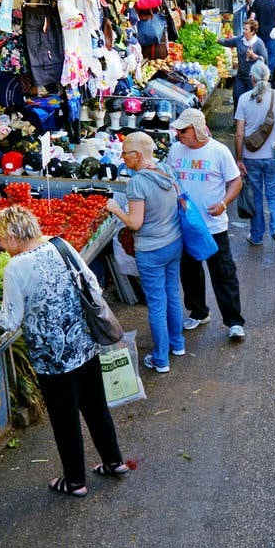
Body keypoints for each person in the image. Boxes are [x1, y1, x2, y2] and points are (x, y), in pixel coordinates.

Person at [0, 205, 126, 498]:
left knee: (64, 418)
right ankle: (114, 461)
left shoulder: (16, 267)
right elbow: (92, 285)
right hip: (83, 343)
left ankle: (75, 482)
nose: (1, 246)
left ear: (11, 235)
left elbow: (9, 322)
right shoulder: (61, 244)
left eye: (2, 240)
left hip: (51, 358)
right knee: (96, 406)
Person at [165, 109, 247, 341]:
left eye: (183, 130)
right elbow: (170, 179)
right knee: (189, 272)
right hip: (185, 224)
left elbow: (236, 181)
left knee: (223, 273)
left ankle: (234, 321)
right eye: (178, 130)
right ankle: (199, 312)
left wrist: (224, 203)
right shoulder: (175, 150)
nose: (178, 134)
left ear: (197, 129)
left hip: (213, 226)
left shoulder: (218, 151)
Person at [108, 133, 184, 374]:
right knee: (172, 294)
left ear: (138, 155)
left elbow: (135, 223)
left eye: (125, 153)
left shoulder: (137, 183)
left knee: (156, 303)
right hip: (174, 243)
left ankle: (161, 359)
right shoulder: (166, 170)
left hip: (151, 250)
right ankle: (178, 344)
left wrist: (115, 209)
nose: (122, 157)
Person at [235, 62, 275, 250]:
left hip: (251, 156)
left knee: (255, 195)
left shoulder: (243, 99)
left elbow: (240, 133)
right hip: (273, 154)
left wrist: (239, 158)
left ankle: (257, 235)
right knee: (274, 194)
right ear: (268, 77)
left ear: (252, 78)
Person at [220, 17, 265, 108]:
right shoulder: (239, 40)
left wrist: (254, 56)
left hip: (253, 78)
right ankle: (237, 120)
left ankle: (249, 121)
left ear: (252, 32)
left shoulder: (259, 43)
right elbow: (226, 42)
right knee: (237, 96)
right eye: (243, 28)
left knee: (250, 100)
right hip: (240, 75)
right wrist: (215, 39)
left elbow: (265, 60)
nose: (243, 31)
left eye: (246, 29)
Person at [250, 0, 275, 68]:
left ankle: (259, 71)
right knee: (271, 55)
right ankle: (270, 74)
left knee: (259, 54)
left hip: (259, 33)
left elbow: (252, 17)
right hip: (271, 33)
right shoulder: (274, 3)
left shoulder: (256, 2)